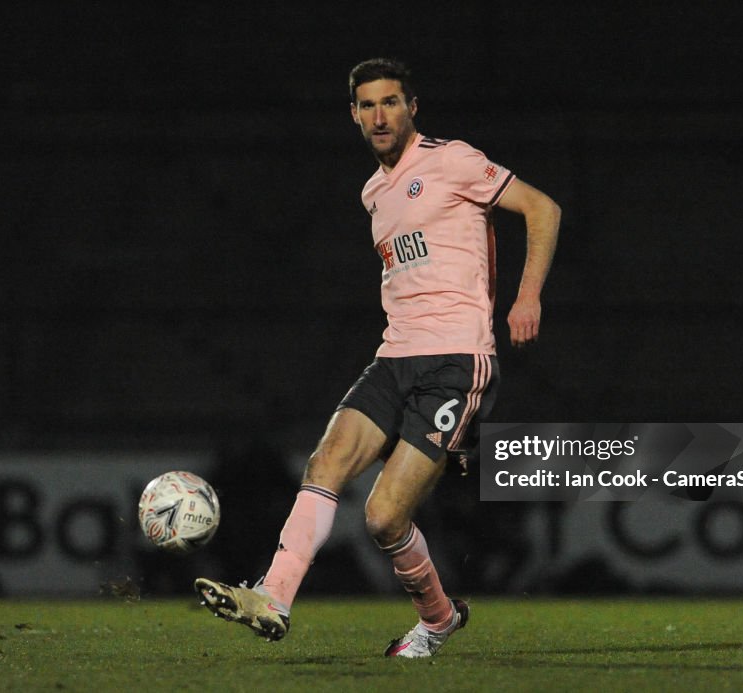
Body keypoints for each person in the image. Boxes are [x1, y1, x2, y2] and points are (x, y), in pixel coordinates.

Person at [195, 57, 561, 658]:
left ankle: (437, 620)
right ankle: (273, 596)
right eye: (367, 105)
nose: (379, 115)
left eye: (390, 102)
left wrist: (527, 297)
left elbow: (544, 209)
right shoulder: (373, 193)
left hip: (455, 360)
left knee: (384, 518)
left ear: (412, 107)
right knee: (325, 462)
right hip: (394, 357)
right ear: (354, 116)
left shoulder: (453, 160)